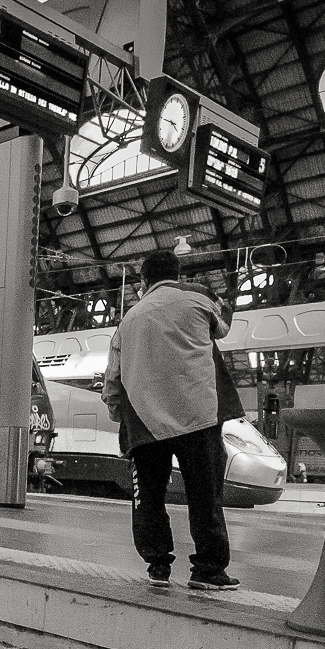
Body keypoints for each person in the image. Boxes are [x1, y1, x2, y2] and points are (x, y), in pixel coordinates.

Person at [101, 248, 238, 591]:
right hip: (197, 418)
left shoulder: (128, 320)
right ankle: (208, 570)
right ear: (177, 274)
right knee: (204, 495)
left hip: (144, 424)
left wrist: (121, 417)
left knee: (148, 496)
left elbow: (112, 381)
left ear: (143, 281)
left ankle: (158, 565)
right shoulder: (197, 299)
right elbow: (223, 326)